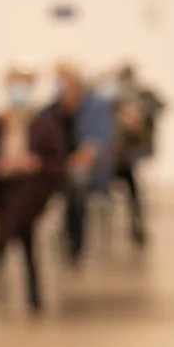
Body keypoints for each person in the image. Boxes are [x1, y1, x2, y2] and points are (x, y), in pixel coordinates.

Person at [0, 66, 66, 311]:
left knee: (24, 190)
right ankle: (34, 294)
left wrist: (36, 163)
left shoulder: (44, 125)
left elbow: (58, 165)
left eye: (23, 85)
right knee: (23, 219)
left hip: (34, 191)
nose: (19, 91)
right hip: (1, 191)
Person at [43, 63, 114, 264]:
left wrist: (77, 161)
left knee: (78, 181)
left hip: (85, 171)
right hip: (55, 168)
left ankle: (75, 242)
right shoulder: (51, 110)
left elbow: (96, 144)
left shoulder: (96, 108)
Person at [111, 64, 167, 247]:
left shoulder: (145, 95)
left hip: (130, 154)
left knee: (132, 185)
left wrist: (140, 113)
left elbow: (162, 106)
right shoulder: (112, 99)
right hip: (113, 156)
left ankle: (137, 226)